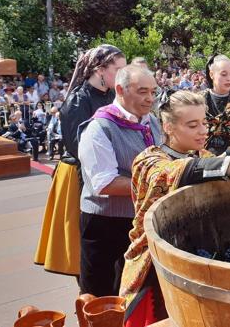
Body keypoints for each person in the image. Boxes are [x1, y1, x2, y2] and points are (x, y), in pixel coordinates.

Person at [120, 90, 230, 327]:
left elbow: (222, 171)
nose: (203, 130)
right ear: (168, 127)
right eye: (192, 125)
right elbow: (177, 172)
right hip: (155, 269)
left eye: (204, 123)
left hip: (195, 264)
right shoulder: (149, 160)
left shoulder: (203, 155)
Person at [35, 44, 126, 278]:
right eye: (118, 69)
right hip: (80, 175)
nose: (122, 75)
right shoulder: (78, 100)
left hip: (107, 171)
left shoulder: (112, 96)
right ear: (99, 69)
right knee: (84, 240)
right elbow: (80, 148)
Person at [78, 65, 162, 297]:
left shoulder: (151, 121)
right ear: (120, 90)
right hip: (105, 224)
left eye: (153, 92)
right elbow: (105, 184)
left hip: (138, 221)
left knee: (133, 295)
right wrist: (158, 182)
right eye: (143, 91)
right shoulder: (99, 128)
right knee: (101, 296)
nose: (150, 99)